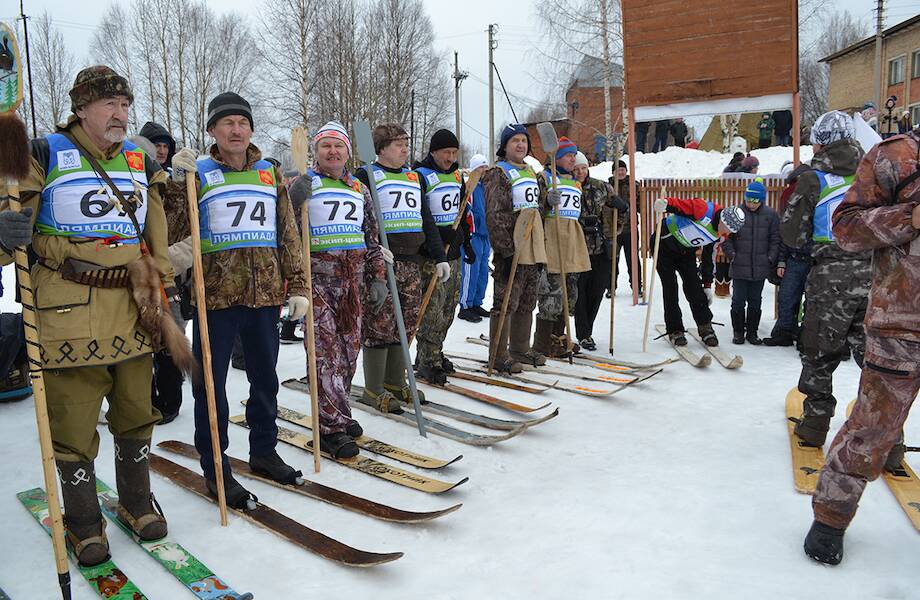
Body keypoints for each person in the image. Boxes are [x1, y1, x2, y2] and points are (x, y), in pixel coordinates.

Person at [0, 66, 181, 565]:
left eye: (125, 105)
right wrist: (4, 233)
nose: (121, 114)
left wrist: (162, 282)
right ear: (81, 109)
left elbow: (156, 228)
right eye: (110, 105)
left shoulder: (138, 161)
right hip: (68, 311)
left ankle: (137, 503)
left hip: (133, 308)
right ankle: (82, 523)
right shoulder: (42, 153)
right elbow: (13, 220)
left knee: (135, 409)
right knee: (74, 418)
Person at [167, 92, 310, 506]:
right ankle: (216, 468)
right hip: (216, 298)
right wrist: (178, 185)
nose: (236, 130)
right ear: (213, 131)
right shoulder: (200, 174)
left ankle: (264, 450)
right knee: (211, 388)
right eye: (227, 123)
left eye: (242, 123)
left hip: (265, 295)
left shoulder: (268, 174)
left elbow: (287, 234)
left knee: (265, 379)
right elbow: (176, 230)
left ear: (250, 129)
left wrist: (298, 285)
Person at [804, 125, 920, 566]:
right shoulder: (897, 157)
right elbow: (846, 228)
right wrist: (908, 218)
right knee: (871, 430)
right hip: (902, 326)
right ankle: (831, 517)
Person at [780, 110, 871, 448]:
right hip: (876, 277)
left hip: (830, 277)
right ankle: (888, 441)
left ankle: (815, 424)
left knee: (819, 352)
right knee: (876, 360)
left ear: (820, 141)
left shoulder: (813, 178)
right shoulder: (874, 173)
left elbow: (792, 235)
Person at [354, 123, 444, 412]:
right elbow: (359, 217)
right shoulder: (365, 174)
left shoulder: (414, 177)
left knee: (405, 324)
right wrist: (373, 248)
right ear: (380, 149)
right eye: (398, 144)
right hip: (383, 262)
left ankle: (395, 382)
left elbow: (426, 218)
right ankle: (374, 388)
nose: (405, 148)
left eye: (406, 143)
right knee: (380, 324)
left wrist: (439, 255)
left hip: (411, 262)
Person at [135, 122, 190, 424]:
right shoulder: (130, 180)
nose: (161, 149)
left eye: (165, 144)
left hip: (170, 275)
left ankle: (169, 400)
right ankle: (144, 399)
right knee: (141, 342)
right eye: (155, 144)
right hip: (136, 274)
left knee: (171, 338)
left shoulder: (171, 183)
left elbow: (182, 226)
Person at [484, 124, 548, 373]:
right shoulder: (498, 173)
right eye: (515, 141)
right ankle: (498, 354)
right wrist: (506, 249)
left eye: (524, 141)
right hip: (511, 246)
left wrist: (548, 202)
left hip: (532, 244)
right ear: (505, 146)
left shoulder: (531, 170)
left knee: (527, 299)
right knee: (506, 300)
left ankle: (520, 348)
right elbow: (495, 213)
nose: (520, 145)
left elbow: (537, 208)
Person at [413, 129, 474, 384]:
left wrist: (466, 240)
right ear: (433, 151)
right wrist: (436, 237)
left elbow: (462, 211)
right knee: (433, 309)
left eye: (454, 153)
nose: (450, 158)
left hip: (454, 252)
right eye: (446, 153)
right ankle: (427, 359)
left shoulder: (458, 176)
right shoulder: (420, 175)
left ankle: (435, 352)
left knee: (449, 307)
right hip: (431, 254)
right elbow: (418, 216)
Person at [652, 196, 746, 346]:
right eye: (726, 229)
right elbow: (680, 205)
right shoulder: (703, 209)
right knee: (670, 288)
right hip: (664, 245)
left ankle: (705, 327)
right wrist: (665, 204)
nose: (726, 233)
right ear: (722, 220)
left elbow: (709, 258)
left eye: (730, 231)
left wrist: (708, 285)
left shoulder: (719, 235)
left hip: (686, 251)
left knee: (694, 288)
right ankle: (675, 330)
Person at [531, 137, 590, 358]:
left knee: (569, 293)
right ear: (556, 158)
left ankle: (559, 336)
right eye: (568, 155)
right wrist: (546, 201)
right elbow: (534, 209)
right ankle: (543, 342)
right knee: (552, 295)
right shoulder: (545, 178)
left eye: (574, 155)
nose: (572, 159)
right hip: (552, 238)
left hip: (571, 240)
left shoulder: (575, 182)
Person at [574, 151, 626, 350]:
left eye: (583, 168)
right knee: (581, 294)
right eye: (576, 169)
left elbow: (620, 211)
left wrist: (619, 217)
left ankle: (588, 329)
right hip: (578, 249)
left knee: (597, 290)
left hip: (600, 247)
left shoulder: (601, 186)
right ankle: (584, 334)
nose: (580, 172)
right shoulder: (568, 187)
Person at [721, 178, 780, 345]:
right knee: (738, 300)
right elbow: (726, 238)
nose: (751, 204)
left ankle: (752, 332)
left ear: (762, 200)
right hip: (740, 266)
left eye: (755, 201)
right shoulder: (736, 213)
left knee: (755, 301)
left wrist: (770, 257)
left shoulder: (770, 215)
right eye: (748, 200)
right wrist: (733, 255)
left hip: (760, 267)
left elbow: (775, 239)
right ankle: (738, 332)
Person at [764, 162, 813, 346]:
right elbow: (785, 232)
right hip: (794, 257)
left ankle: (805, 337)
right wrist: (782, 261)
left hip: (814, 257)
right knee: (787, 296)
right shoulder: (791, 194)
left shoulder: (817, 198)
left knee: (811, 301)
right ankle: (784, 332)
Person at [458, 154, 491, 323]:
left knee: (483, 272)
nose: (483, 171)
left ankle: (477, 302)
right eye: (480, 167)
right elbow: (466, 210)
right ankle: (465, 305)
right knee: (471, 271)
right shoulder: (469, 187)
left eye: (485, 167)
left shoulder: (487, 187)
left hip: (486, 236)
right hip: (473, 235)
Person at [607, 159, 642, 296]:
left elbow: (640, 205)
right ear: (613, 172)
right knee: (612, 259)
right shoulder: (608, 186)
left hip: (630, 228)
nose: (621, 172)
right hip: (613, 229)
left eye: (623, 170)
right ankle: (610, 287)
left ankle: (637, 286)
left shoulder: (634, 185)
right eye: (618, 170)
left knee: (633, 258)